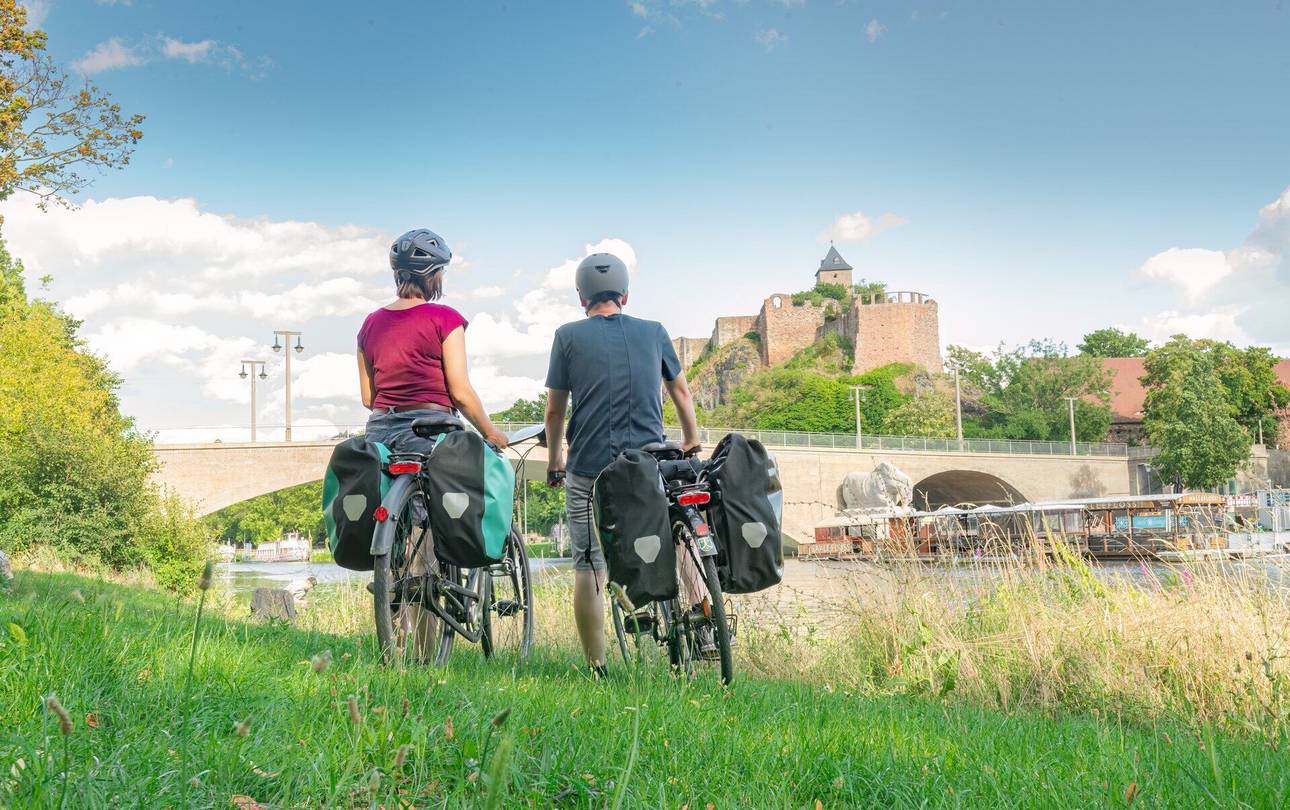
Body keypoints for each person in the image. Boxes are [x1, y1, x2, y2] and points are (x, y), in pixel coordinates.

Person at [543, 252, 705, 676]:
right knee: (677, 541)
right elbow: (681, 393)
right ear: (626, 295)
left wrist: (556, 460)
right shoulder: (654, 332)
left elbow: (555, 412)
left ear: (582, 298)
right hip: (649, 464)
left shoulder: (567, 336)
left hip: (590, 469)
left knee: (589, 566)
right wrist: (690, 440)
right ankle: (704, 616)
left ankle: (597, 667)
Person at [356, 227, 508, 658]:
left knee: (399, 529)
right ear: (434, 275)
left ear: (397, 273)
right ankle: (424, 656)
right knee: (428, 527)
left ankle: (395, 638)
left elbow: (368, 397)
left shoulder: (370, 324)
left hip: (381, 432)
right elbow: (460, 391)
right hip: (429, 428)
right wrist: (490, 431)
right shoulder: (445, 319)